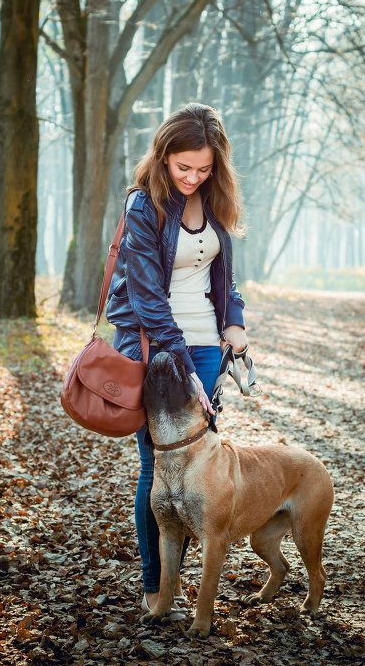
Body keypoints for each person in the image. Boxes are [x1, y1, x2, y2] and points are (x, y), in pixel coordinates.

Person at [106, 102, 248, 618]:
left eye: (204, 168)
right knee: (158, 467)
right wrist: (182, 359)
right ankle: (155, 587)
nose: (193, 177)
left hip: (208, 348)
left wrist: (234, 319)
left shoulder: (214, 200)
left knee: (196, 469)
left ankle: (177, 581)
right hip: (156, 351)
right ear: (164, 156)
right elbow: (146, 297)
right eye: (183, 167)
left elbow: (225, 275)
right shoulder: (144, 205)